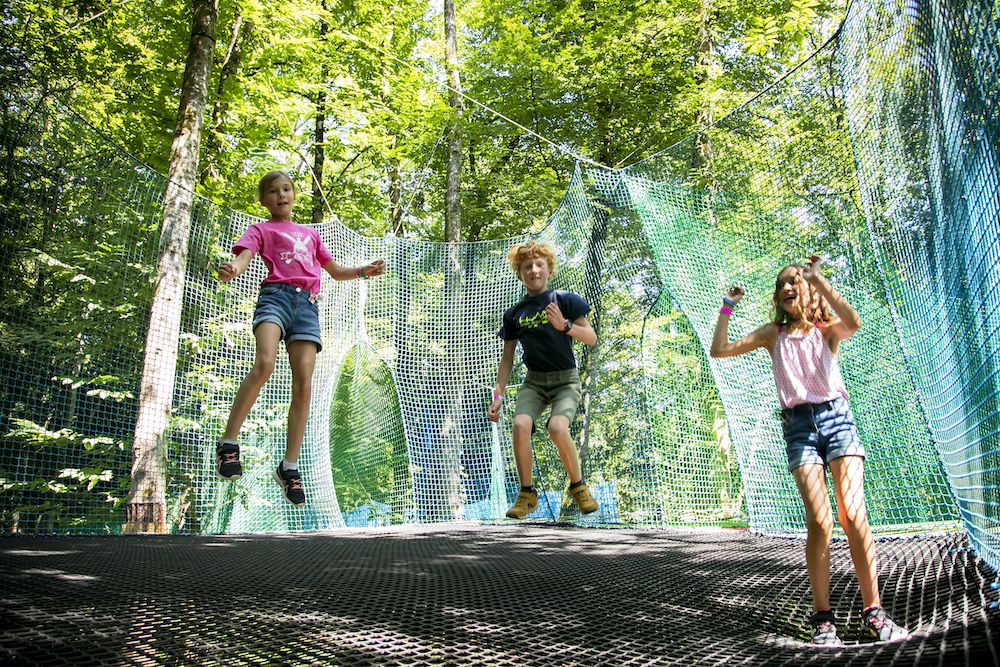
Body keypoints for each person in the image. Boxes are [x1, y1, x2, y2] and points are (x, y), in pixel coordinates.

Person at [710, 255, 909, 645]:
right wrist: (727, 306)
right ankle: (824, 620)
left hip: (837, 420)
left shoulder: (827, 330)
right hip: (799, 427)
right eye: (782, 284)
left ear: (808, 291)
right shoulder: (773, 334)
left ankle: (876, 613)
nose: (787, 287)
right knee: (820, 522)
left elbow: (854, 322)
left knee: (853, 514)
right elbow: (720, 350)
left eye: (794, 282)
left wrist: (819, 279)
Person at [215, 170, 385, 506]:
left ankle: (289, 467)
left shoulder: (310, 234)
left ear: (294, 195)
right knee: (264, 363)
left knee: (304, 384)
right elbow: (243, 257)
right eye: (274, 191)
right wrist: (233, 268)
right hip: (275, 299)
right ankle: (229, 444)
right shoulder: (260, 230)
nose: (282, 195)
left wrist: (364, 270)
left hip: (307, 306)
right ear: (264, 200)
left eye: (287, 189)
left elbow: (334, 272)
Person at [488, 240, 599, 520]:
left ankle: (578, 486)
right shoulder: (514, 314)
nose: (533, 270)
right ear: (520, 273)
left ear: (549, 269)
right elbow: (507, 359)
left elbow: (591, 337)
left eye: (539, 265)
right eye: (527, 266)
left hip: (565, 380)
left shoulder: (564, 300)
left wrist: (566, 326)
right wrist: (498, 396)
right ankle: (527, 494)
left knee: (558, 428)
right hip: (534, 382)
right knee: (520, 424)